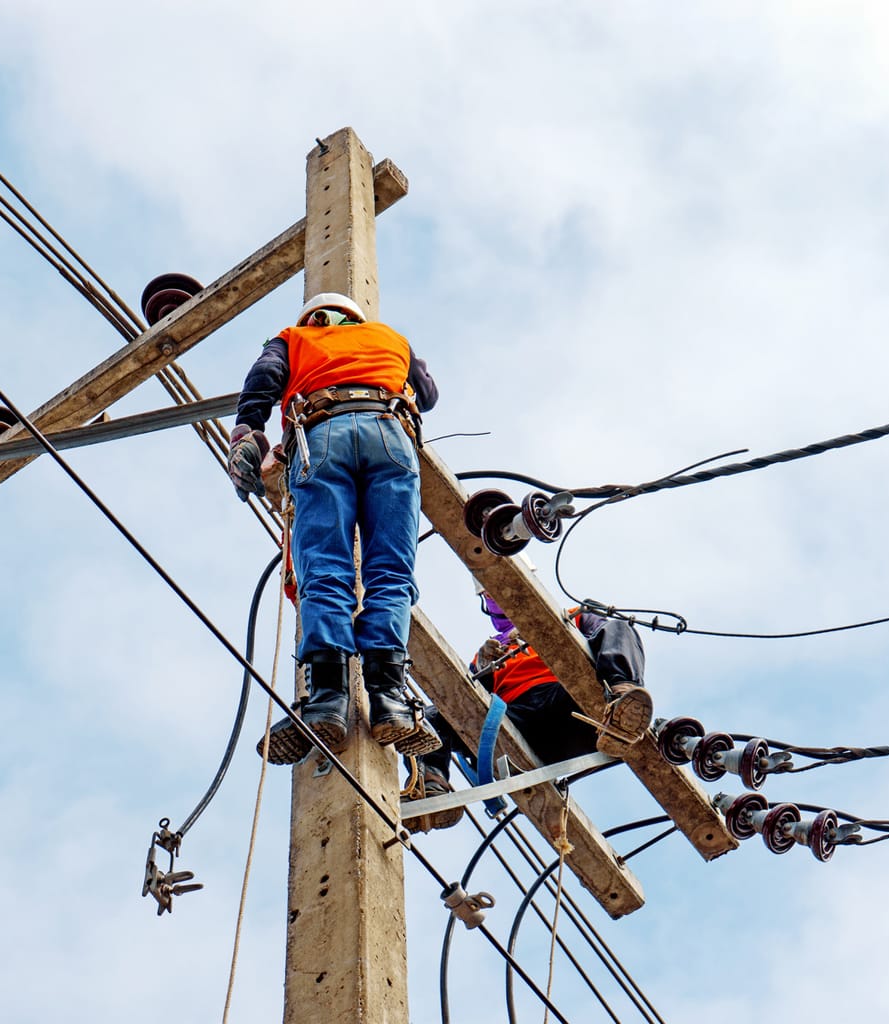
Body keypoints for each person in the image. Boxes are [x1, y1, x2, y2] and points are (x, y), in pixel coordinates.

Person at [229, 292, 438, 763]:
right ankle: (390, 702)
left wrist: (247, 432)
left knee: (324, 570)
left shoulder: (292, 339)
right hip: (391, 434)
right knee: (392, 573)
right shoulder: (392, 339)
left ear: (313, 319)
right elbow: (427, 394)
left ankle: (327, 700)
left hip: (322, 433)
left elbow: (264, 378)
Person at [402, 589, 650, 833]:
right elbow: (464, 706)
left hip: (569, 706)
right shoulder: (490, 652)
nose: (495, 598)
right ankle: (430, 783)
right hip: (515, 722)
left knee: (619, 627)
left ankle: (622, 702)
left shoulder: (570, 616)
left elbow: (611, 635)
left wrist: (546, 629)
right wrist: (483, 670)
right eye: (488, 595)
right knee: (431, 716)